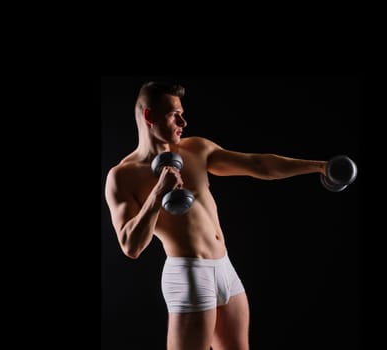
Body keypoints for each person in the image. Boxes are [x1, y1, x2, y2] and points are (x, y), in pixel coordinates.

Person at [104, 81, 344, 350]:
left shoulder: (196, 149)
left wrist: (321, 167)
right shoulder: (122, 176)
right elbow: (130, 245)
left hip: (225, 269)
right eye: (174, 114)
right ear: (149, 116)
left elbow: (258, 164)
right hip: (189, 274)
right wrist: (158, 193)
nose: (183, 121)